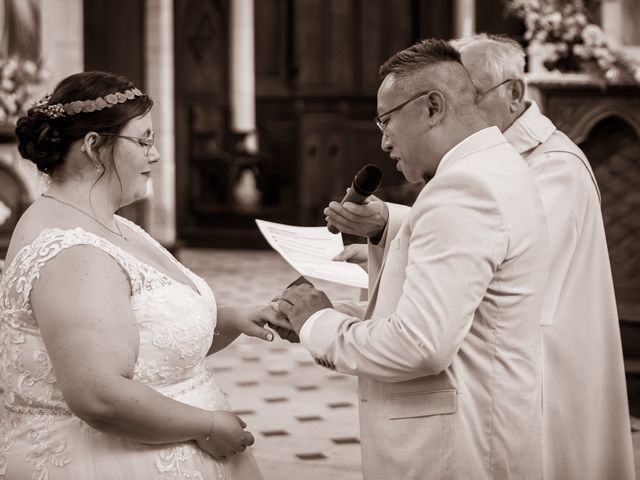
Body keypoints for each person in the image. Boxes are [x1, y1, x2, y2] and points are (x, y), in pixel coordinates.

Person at [328, 34, 636, 480]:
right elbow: (468, 245)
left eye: (472, 88)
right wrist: (387, 228)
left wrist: (323, 325)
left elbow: (486, 256)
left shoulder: (554, 164)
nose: (465, 100)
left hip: (541, 363)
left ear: (512, 92)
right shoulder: (490, 164)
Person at [276, 39, 549, 479]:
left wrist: (320, 324)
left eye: (386, 120)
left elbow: (419, 346)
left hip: (453, 447)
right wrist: (339, 311)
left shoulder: (463, 192)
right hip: (484, 421)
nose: (383, 141)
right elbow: (462, 316)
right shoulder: (494, 167)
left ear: (432, 107)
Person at [0, 71, 287, 479]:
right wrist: (207, 426)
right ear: (95, 147)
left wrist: (233, 317)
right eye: (144, 141)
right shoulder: (74, 253)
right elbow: (98, 395)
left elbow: (143, 337)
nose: (154, 155)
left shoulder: (107, 224)